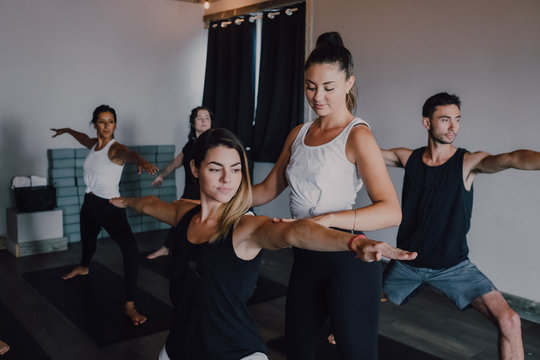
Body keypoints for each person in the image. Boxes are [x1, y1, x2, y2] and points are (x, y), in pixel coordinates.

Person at [110, 128, 416, 360]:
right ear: (195, 169)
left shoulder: (246, 227)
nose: (227, 179)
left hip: (234, 351)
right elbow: (151, 205)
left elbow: (297, 233)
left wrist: (354, 243)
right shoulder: (183, 214)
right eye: (215, 168)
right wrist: (128, 201)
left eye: (236, 169)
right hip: (178, 346)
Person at [251, 32, 402, 359]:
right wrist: (218, 199)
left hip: (348, 260)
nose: (317, 97)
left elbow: (391, 210)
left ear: (349, 83)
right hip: (305, 256)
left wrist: (329, 218)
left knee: (356, 354)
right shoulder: (299, 133)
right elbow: (265, 189)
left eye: (328, 88)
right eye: (310, 86)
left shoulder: (358, 135)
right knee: (298, 349)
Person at [380, 92, 540, 360]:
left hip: (454, 268)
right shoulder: (408, 159)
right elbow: (363, 152)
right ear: (427, 123)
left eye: (457, 119)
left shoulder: (468, 163)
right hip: (407, 262)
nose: (454, 127)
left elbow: (512, 158)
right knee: (356, 300)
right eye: (445, 120)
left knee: (510, 320)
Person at [51, 104, 158, 326]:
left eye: (110, 121)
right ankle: (84, 266)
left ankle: (129, 304)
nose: (107, 126)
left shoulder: (114, 148)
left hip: (110, 206)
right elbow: (83, 138)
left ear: (115, 124)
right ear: (95, 124)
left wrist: (139, 159)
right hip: (90, 203)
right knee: (88, 241)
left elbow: (128, 154)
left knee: (130, 249)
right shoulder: (94, 145)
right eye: (102, 121)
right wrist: (68, 130)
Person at [147, 106, 213, 259]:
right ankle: (166, 247)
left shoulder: (214, 144)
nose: (204, 121)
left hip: (208, 192)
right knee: (179, 219)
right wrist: (162, 175)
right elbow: (175, 164)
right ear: (192, 122)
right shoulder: (190, 145)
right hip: (190, 190)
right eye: (199, 118)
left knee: (204, 225)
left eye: (207, 118)